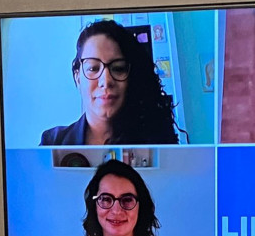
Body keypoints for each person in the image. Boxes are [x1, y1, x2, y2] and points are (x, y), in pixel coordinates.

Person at [41, 20, 180, 145]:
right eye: (93, 68)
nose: (106, 81)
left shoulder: (158, 141)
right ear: (78, 78)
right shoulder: (53, 142)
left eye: (118, 68)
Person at [67, 160, 181, 236]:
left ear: (141, 207)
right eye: (106, 199)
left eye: (127, 200)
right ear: (94, 206)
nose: (116, 211)